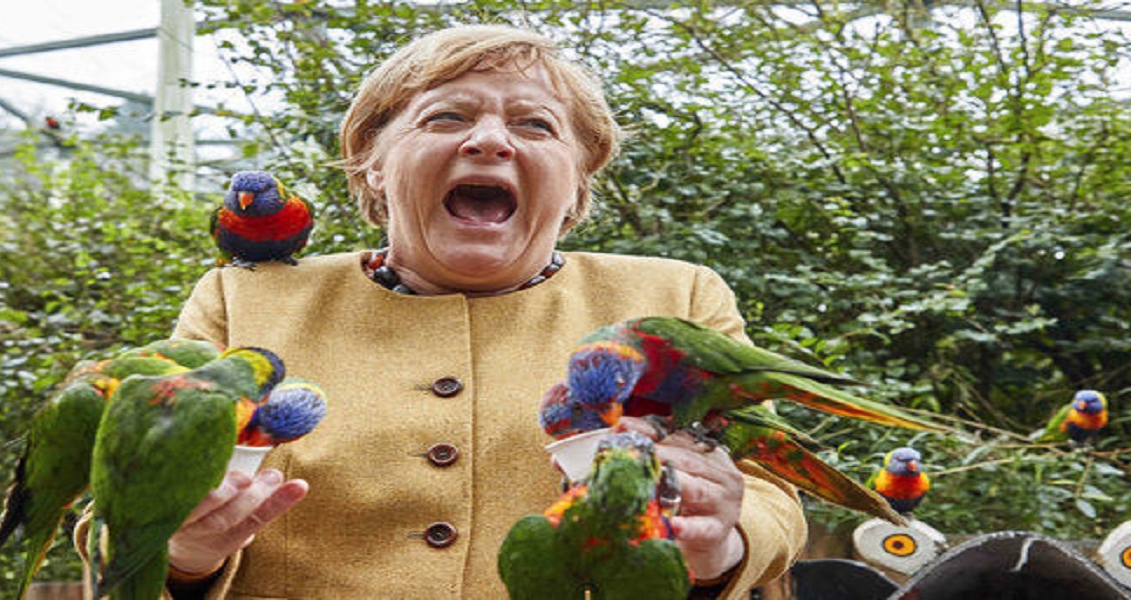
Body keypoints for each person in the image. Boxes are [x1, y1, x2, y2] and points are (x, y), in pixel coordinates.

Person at [79, 23, 807, 599]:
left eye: (536, 126)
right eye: (446, 116)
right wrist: (181, 551)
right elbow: (118, 506)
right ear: (374, 161)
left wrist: (724, 542)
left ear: (578, 180)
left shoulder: (673, 301)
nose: (489, 139)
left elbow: (774, 498)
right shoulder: (244, 301)